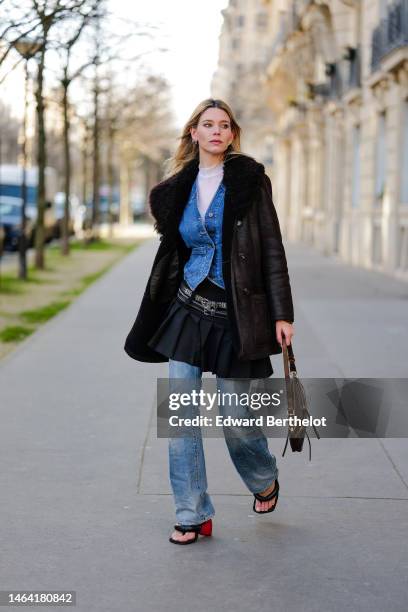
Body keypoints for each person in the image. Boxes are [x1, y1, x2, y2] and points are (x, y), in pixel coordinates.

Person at [124, 98, 294, 545]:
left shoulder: (251, 182)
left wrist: (282, 313)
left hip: (237, 315)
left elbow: (272, 249)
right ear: (194, 134)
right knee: (180, 417)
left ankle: (263, 478)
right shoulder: (176, 188)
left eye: (224, 125)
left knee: (237, 418)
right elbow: (175, 252)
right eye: (207, 124)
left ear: (233, 134)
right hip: (186, 310)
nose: (216, 131)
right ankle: (191, 513)